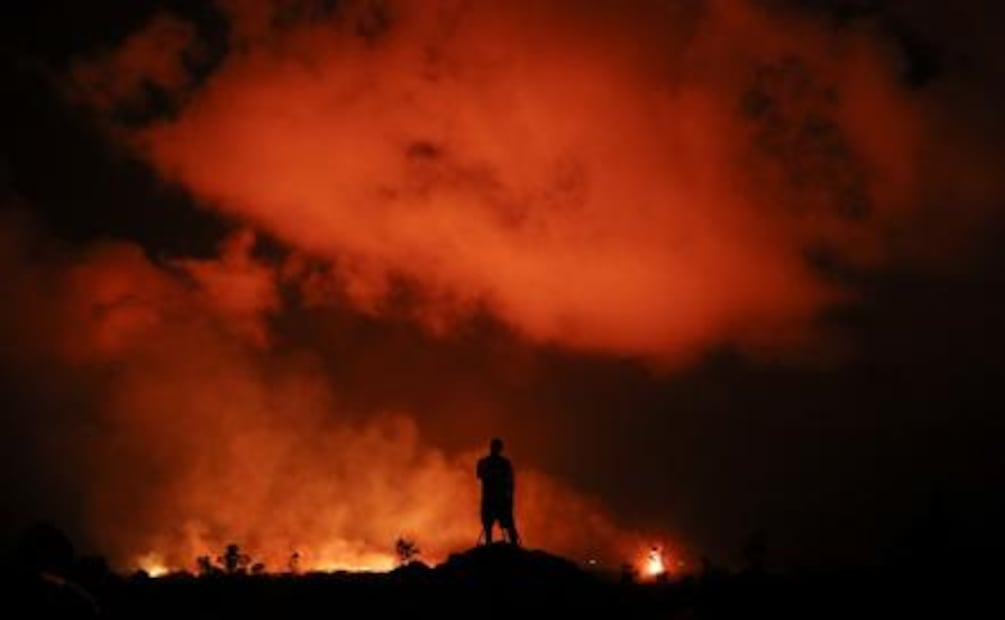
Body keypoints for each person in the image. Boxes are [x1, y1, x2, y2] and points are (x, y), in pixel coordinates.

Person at [476, 437, 520, 545]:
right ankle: (490, 543)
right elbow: (480, 475)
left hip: (498, 499)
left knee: (504, 523)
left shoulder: (502, 463)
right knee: (489, 524)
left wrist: (509, 499)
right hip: (495, 498)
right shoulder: (490, 463)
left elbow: (510, 482)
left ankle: (510, 544)